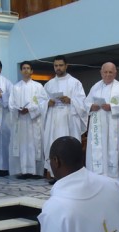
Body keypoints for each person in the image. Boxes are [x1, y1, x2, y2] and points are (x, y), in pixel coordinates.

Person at [43, 55, 87, 184]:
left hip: (69, 120)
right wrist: (47, 103)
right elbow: (41, 102)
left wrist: (71, 100)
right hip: (53, 120)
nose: (58, 68)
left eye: (60, 65)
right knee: (53, 145)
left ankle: (71, 175)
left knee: (68, 147)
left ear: (66, 66)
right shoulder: (49, 84)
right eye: (56, 65)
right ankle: (55, 174)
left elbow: (83, 103)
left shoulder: (75, 83)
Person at [84, 62, 119, 185]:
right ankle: (95, 180)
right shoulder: (95, 87)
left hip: (113, 126)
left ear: (115, 73)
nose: (108, 74)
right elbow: (86, 103)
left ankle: (115, 181)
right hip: (97, 127)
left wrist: (112, 107)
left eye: (111, 72)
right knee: (97, 150)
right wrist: (91, 106)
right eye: (105, 72)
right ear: (101, 72)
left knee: (113, 149)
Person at [8, 61, 48, 179]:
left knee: (34, 145)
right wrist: (18, 109)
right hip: (20, 121)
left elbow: (43, 102)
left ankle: (36, 172)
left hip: (33, 121)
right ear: (21, 71)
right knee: (22, 146)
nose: (26, 70)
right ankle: (23, 171)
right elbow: (11, 104)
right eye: (24, 68)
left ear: (31, 71)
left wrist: (30, 109)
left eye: (28, 68)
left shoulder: (38, 86)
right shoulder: (15, 87)